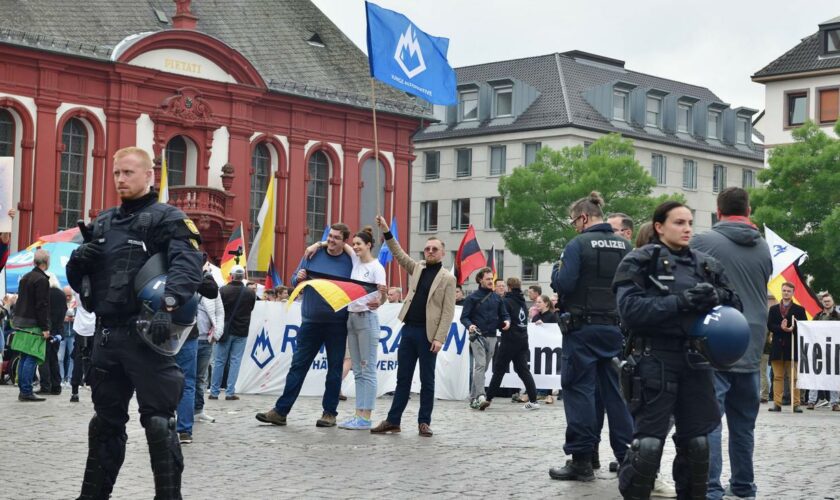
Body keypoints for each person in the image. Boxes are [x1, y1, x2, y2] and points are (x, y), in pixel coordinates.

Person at [66, 146, 204, 499]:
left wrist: (167, 307)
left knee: (159, 422)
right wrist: (78, 261)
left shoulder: (168, 218)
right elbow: (80, 280)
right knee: (104, 425)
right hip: (108, 336)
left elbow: (187, 265)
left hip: (148, 335)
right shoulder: (104, 222)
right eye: (117, 173)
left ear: (148, 175)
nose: (121, 179)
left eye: (128, 173)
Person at [612, 201, 742, 499]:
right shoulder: (639, 261)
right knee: (648, 446)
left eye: (689, 222)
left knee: (697, 444)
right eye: (679, 223)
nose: (686, 229)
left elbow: (736, 303)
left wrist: (715, 295)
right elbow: (630, 311)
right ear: (659, 226)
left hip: (696, 361)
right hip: (653, 360)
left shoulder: (706, 264)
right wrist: (680, 302)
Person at [691, 186, 772, 500]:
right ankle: (743, 486)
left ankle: (711, 487)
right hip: (751, 342)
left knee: (710, 420)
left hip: (717, 339)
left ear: (718, 211)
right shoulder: (763, 247)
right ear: (749, 211)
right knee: (743, 424)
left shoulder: (703, 241)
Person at [548, 192, 633, 482]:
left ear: (584, 218)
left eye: (574, 221)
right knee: (618, 395)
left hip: (582, 330)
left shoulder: (578, 244)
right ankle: (627, 459)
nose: (574, 227)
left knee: (579, 391)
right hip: (615, 329)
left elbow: (565, 283)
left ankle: (582, 460)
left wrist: (555, 272)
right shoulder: (625, 245)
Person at [256, 223, 354, 427]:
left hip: (337, 323)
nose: (331, 240)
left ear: (344, 241)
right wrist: (298, 278)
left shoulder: (350, 261)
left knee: (334, 370)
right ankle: (280, 412)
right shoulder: (313, 254)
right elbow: (294, 281)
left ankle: (329, 413)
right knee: (298, 367)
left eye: (336, 237)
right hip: (310, 322)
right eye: (329, 236)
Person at [370, 215, 456, 437]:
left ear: (442, 253)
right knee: (403, 378)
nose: (429, 251)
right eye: (427, 248)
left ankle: (424, 422)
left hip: (429, 335)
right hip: (409, 330)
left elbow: (448, 310)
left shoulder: (447, 278)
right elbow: (398, 253)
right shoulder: (417, 267)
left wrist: (439, 338)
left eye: (434, 249)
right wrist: (387, 231)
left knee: (427, 380)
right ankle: (393, 420)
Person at [304, 226, 387, 430]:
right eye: (355, 243)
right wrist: (318, 243)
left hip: (367, 319)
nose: (355, 247)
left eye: (360, 244)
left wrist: (382, 300)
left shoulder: (377, 267)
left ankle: (366, 416)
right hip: (351, 318)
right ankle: (359, 414)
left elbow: (382, 293)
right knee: (357, 369)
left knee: (367, 370)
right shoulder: (355, 260)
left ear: (369, 245)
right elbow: (338, 243)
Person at [175, 266, 219, 443]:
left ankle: (168, 426)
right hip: (183, 330)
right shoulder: (189, 263)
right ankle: (183, 429)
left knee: (178, 381)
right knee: (187, 382)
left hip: (175, 330)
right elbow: (211, 290)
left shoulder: (157, 257)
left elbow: (212, 292)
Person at [482, 276, 540, 410]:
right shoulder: (523, 302)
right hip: (523, 339)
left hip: (509, 340)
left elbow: (502, 320)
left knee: (499, 370)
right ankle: (534, 401)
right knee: (523, 370)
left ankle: (488, 399)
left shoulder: (506, 301)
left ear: (508, 287)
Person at [461, 267, 510, 409]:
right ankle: (481, 395)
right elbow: (464, 317)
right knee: (481, 364)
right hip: (477, 336)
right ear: (480, 280)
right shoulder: (472, 298)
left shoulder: (497, 298)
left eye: (492, 279)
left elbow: (504, 314)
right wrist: (469, 326)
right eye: (488, 279)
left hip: (493, 336)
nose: (490, 282)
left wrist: (507, 322)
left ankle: (473, 398)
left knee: (484, 366)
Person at [12, 248, 52, 402]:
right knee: (32, 357)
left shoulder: (25, 277)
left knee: (24, 356)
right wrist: (45, 327)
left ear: (34, 261)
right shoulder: (41, 280)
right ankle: (26, 391)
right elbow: (41, 305)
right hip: (33, 324)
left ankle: (24, 389)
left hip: (21, 321)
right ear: (46, 262)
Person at [210, 265, 255, 401]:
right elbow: (251, 308)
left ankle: (214, 392)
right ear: (243, 277)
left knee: (219, 361)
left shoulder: (223, 290)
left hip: (225, 330)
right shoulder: (250, 293)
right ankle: (230, 392)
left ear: (231, 275)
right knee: (235, 361)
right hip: (241, 330)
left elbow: (217, 309)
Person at [767, 282, 807, 413]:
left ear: (793, 293)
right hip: (777, 348)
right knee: (777, 377)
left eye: (788, 291)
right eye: (784, 290)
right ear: (781, 291)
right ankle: (777, 404)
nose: (786, 293)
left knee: (794, 377)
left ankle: (796, 403)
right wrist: (781, 328)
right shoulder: (773, 309)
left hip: (792, 347)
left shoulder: (799, 309)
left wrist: (793, 329)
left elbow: (804, 327)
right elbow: (770, 326)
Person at [195, 260, 224, 423]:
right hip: (187, 339)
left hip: (206, 339)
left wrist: (217, 333)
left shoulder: (213, 289)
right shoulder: (187, 283)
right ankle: (182, 410)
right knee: (186, 377)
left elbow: (220, 312)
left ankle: (198, 410)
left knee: (201, 378)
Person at [37, 272, 67, 395]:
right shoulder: (61, 294)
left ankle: (45, 385)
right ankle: (56, 386)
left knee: (43, 358)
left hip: (46, 329)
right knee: (54, 358)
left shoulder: (45, 294)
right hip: (57, 331)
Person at [813, 292, 840, 411]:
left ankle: (835, 402)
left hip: (834, 351)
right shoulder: (817, 316)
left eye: (828, 301)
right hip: (819, 350)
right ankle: (811, 401)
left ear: (832, 302)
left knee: (834, 377)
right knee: (814, 375)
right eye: (824, 301)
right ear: (822, 303)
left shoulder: (838, 316)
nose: (826, 303)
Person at [70, 290, 95, 403]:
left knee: (78, 360)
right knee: (95, 360)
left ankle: (75, 391)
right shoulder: (96, 288)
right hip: (94, 327)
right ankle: (93, 386)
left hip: (80, 327)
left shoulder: (77, 290)